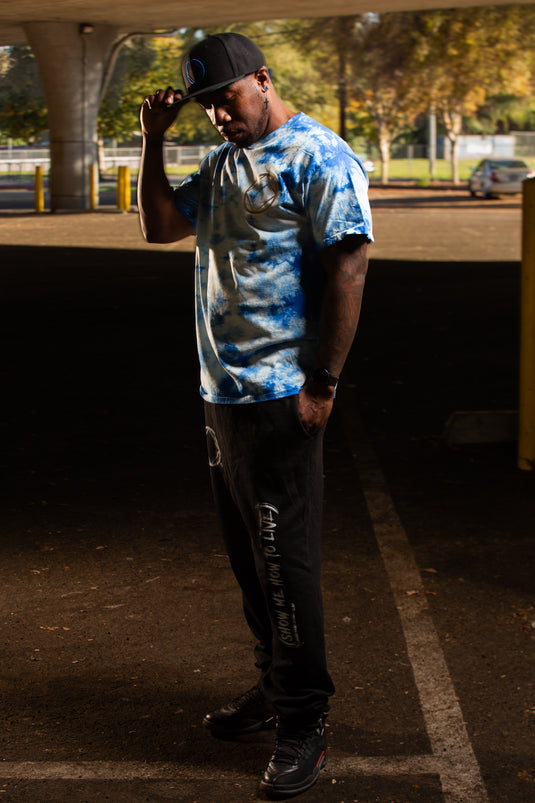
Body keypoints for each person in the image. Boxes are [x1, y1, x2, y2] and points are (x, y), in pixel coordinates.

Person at [138, 32, 373, 799]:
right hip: (223, 395)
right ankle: (273, 688)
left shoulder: (320, 159)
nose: (217, 117)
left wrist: (324, 382)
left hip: (280, 396)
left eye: (226, 100)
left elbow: (348, 268)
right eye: (205, 106)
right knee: (248, 557)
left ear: (263, 80)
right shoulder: (224, 162)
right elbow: (162, 226)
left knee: (282, 560)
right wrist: (152, 142)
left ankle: (304, 718)